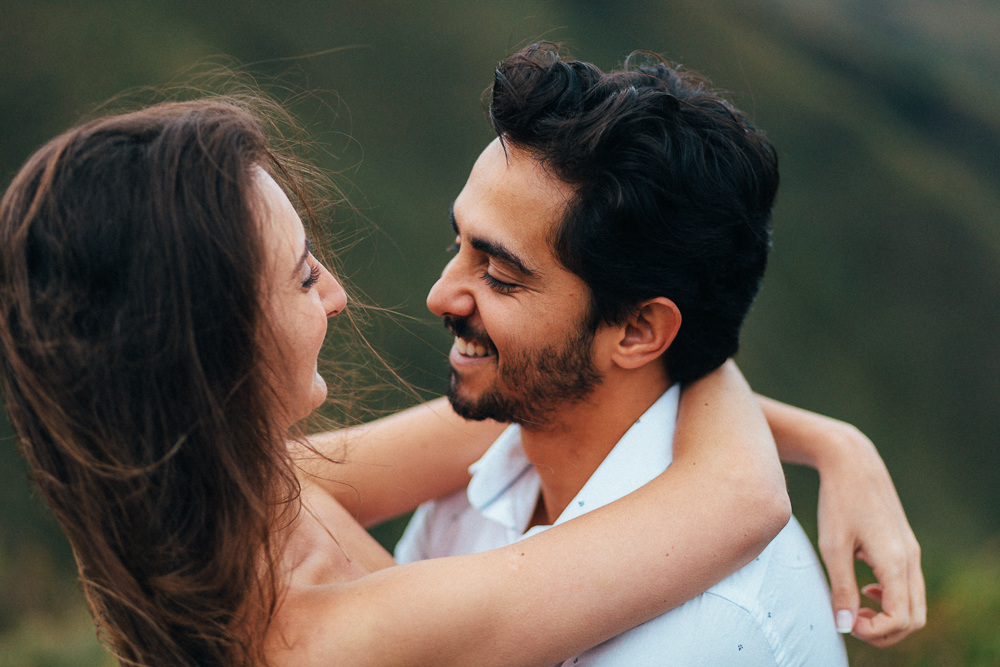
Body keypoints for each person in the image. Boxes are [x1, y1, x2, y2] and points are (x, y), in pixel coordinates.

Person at [0, 95, 852, 667]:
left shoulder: (211, 514)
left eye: (497, 268)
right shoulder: (319, 636)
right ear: (214, 345)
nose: (337, 294)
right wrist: (705, 349)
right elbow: (740, 497)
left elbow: (566, 397)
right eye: (303, 274)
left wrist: (827, 441)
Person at [368, 43, 925, 664]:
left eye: (499, 273)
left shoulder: (707, 629)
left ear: (636, 332)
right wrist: (831, 441)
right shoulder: (480, 478)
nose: (439, 295)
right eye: (459, 245)